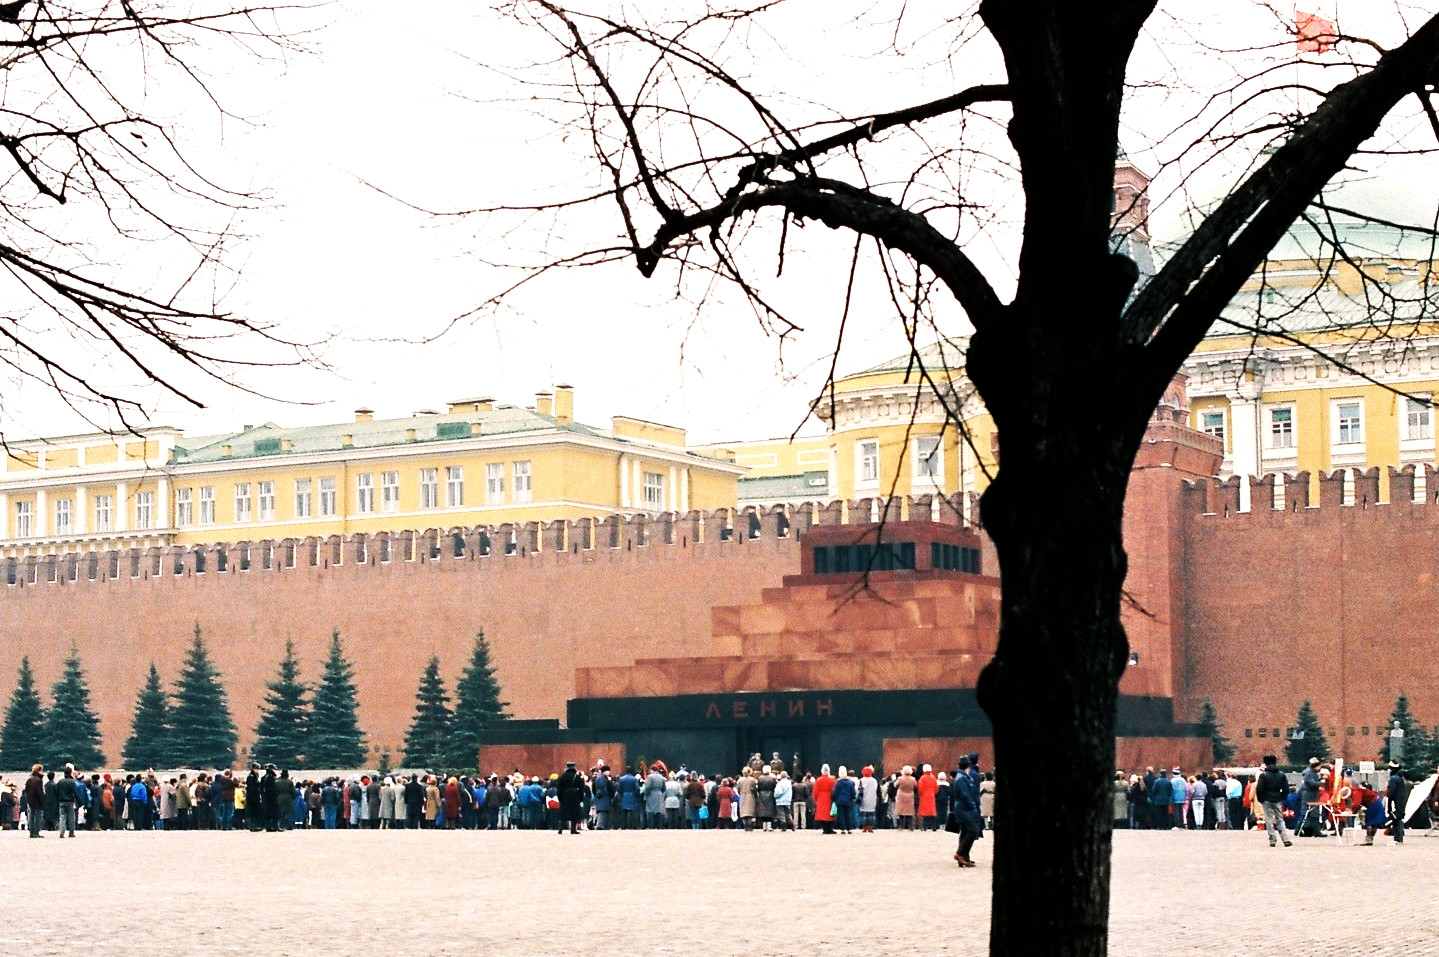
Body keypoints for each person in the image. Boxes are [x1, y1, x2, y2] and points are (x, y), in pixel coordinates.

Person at [951, 755, 983, 867]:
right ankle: (960, 853)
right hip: (965, 808)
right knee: (973, 831)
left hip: (961, 807)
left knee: (965, 831)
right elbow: (965, 795)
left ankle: (963, 857)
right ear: (968, 766)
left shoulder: (960, 776)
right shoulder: (962, 778)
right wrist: (972, 806)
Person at [1254, 755, 1293, 848]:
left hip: (1266, 799)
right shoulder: (1281, 774)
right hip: (1278, 798)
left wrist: (1261, 799)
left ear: (1265, 763)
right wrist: (1282, 797)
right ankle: (1285, 839)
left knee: (1269, 819)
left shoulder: (1263, 775)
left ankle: (1272, 839)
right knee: (1280, 819)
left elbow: (1259, 789)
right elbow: (1286, 789)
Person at [557, 761, 586, 834]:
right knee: (574, 813)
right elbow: (581, 789)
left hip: (565, 796)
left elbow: (559, 789)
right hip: (575, 797)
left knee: (563, 813)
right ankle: (573, 829)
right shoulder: (577, 777)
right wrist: (581, 799)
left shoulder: (562, 777)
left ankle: (560, 828)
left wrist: (560, 798)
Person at [1386, 759, 1408, 845]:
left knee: (1395, 818)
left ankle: (1397, 838)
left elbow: (1391, 792)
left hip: (1395, 801)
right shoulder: (1401, 778)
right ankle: (1399, 837)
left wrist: (1389, 801)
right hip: (1401, 801)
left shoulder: (1393, 778)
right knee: (1398, 818)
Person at [55, 763, 79, 838]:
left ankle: (62, 832)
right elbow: (75, 792)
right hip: (70, 801)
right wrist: (79, 801)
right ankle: (71, 832)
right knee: (71, 817)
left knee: (62, 817)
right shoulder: (72, 782)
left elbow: (57, 792)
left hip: (61, 801)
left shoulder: (60, 782)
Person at [813, 764, 837, 835]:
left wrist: (816, 799)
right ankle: (830, 828)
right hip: (830, 798)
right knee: (830, 814)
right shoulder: (832, 780)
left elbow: (815, 791)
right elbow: (834, 790)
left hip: (821, 798)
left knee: (822, 814)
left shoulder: (818, 780)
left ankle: (825, 829)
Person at [24, 764, 45, 838]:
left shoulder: (29, 780)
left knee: (31, 817)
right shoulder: (38, 780)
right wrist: (42, 801)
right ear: (39, 771)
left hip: (30, 800)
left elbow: (25, 790)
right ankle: (36, 832)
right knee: (38, 817)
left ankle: (31, 832)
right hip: (37, 801)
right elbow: (40, 792)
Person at [893, 765, 917, 831]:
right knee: (909, 811)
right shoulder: (913, 779)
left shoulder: (900, 778)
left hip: (901, 796)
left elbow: (895, 785)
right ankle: (910, 826)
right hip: (910, 795)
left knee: (901, 812)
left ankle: (901, 826)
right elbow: (916, 786)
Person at [755, 765, 777, 831]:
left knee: (763, 811)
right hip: (770, 794)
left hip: (761, 795)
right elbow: (774, 787)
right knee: (770, 811)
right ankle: (769, 826)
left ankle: (764, 826)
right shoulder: (772, 778)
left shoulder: (759, 778)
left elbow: (758, 787)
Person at [735, 766, 757, 831]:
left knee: (743, 811)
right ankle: (749, 825)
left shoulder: (740, 780)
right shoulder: (752, 780)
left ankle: (745, 825)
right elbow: (755, 789)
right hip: (750, 796)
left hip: (742, 796)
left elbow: (738, 789)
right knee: (750, 811)